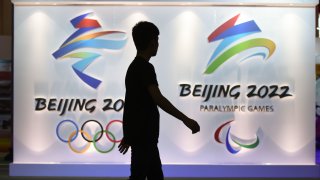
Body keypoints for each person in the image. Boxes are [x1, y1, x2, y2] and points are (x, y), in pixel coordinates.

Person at [118, 21, 200, 180]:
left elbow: (131, 106)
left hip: (144, 139)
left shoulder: (133, 67)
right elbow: (158, 99)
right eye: (157, 40)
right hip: (145, 139)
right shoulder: (145, 68)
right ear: (152, 41)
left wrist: (128, 135)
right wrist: (185, 119)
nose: (158, 44)